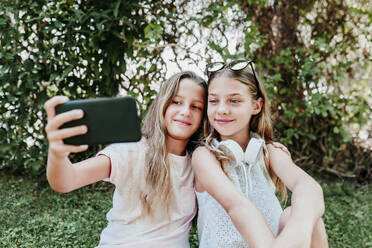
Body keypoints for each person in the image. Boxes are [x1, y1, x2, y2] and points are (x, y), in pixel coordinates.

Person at [44, 71, 207, 248]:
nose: (185, 112)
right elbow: (67, 181)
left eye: (195, 106)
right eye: (176, 102)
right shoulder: (133, 150)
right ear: (163, 104)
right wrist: (57, 154)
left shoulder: (199, 162)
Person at [192, 59, 329, 248]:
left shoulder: (270, 151)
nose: (222, 109)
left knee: (297, 216)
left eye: (234, 100)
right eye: (214, 101)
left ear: (256, 106)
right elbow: (236, 206)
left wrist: (300, 226)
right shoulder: (204, 156)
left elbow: (308, 186)